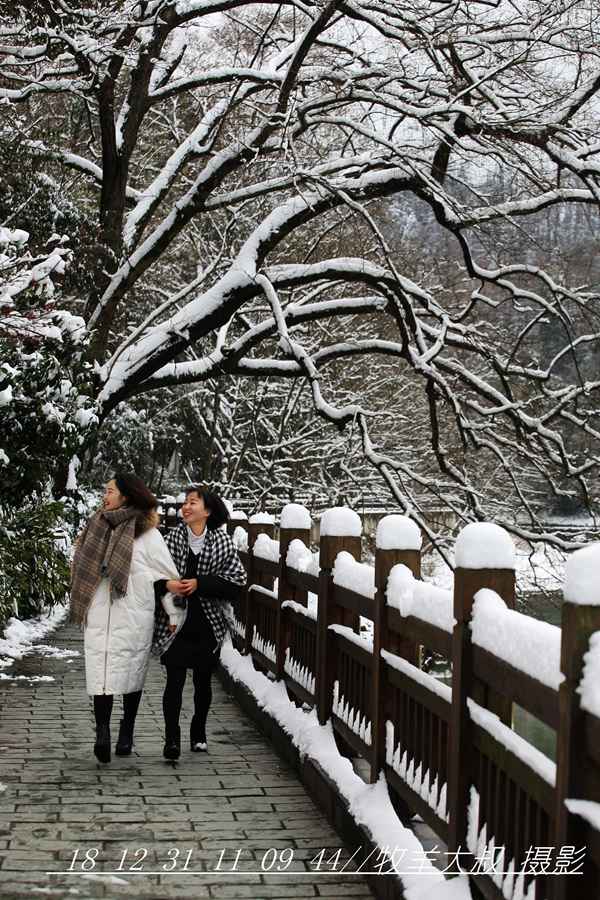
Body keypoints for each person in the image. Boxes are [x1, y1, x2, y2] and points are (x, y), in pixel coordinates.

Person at [70, 473, 180, 763]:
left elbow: (169, 577)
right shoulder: (95, 526)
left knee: (131, 670)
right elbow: (80, 565)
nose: (104, 496)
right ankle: (102, 731)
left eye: (109, 491)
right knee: (101, 671)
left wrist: (174, 612)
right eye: (105, 491)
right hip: (98, 611)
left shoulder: (147, 534)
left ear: (127, 496)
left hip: (133, 612)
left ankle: (127, 728)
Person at [153, 486, 245, 760]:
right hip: (175, 620)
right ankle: (171, 738)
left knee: (203, 681)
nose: (186, 507)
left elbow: (236, 582)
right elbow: (153, 577)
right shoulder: (171, 539)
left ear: (207, 510)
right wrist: (169, 586)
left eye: (193, 502)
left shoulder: (222, 542)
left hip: (207, 621)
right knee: (175, 680)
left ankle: (199, 731)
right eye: (185, 502)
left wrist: (200, 583)